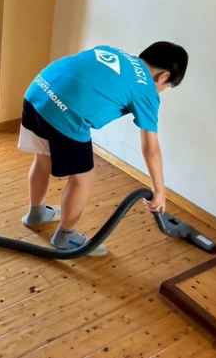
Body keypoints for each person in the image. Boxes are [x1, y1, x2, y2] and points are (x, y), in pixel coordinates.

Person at [18, 42, 188, 257]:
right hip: (66, 115)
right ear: (164, 76)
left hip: (37, 92)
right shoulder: (147, 90)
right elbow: (151, 149)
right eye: (166, 87)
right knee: (83, 178)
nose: (162, 91)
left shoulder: (111, 51)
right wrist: (160, 191)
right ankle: (65, 237)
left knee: (43, 159)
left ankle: (36, 214)